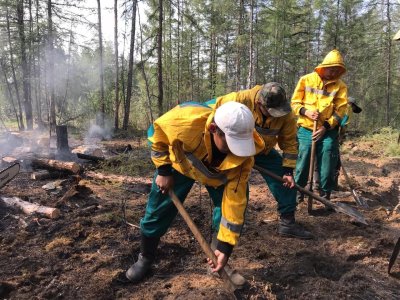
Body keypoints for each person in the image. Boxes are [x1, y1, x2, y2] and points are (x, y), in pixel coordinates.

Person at [126, 101, 265, 285]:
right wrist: (163, 171)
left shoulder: (243, 157)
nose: (234, 149)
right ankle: (145, 257)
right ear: (214, 128)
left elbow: (235, 202)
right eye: (230, 142)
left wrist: (226, 247)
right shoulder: (185, 121)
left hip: (218, 177)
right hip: (181, 165)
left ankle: (217, 259)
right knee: (157, 210)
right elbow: (156, 134)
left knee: (226, 212)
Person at [207, 82, 313, 240]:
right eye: (271, 112)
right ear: (259, 104)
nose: (276, 115)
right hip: (235, 149)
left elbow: (290, 142)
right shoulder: (239, 99)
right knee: (233, 189)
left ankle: (287, 223)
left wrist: (288, 171)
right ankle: (221, 231)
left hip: (263, 151)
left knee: (286, 183)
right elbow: (210, 115)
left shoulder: (286, 114)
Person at [291, 49, 348, 202]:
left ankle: (324, 194)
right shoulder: (306, 80)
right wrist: (305, 111)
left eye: (337, 70)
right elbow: (294, 102)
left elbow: (341, 111)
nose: (334, 73)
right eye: (331, 69)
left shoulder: (340, 86)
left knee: (328, 161)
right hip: (306, 129)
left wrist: (325, 127)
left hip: (327, 130)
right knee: (303, 161)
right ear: (324, 67)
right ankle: (298, 191)